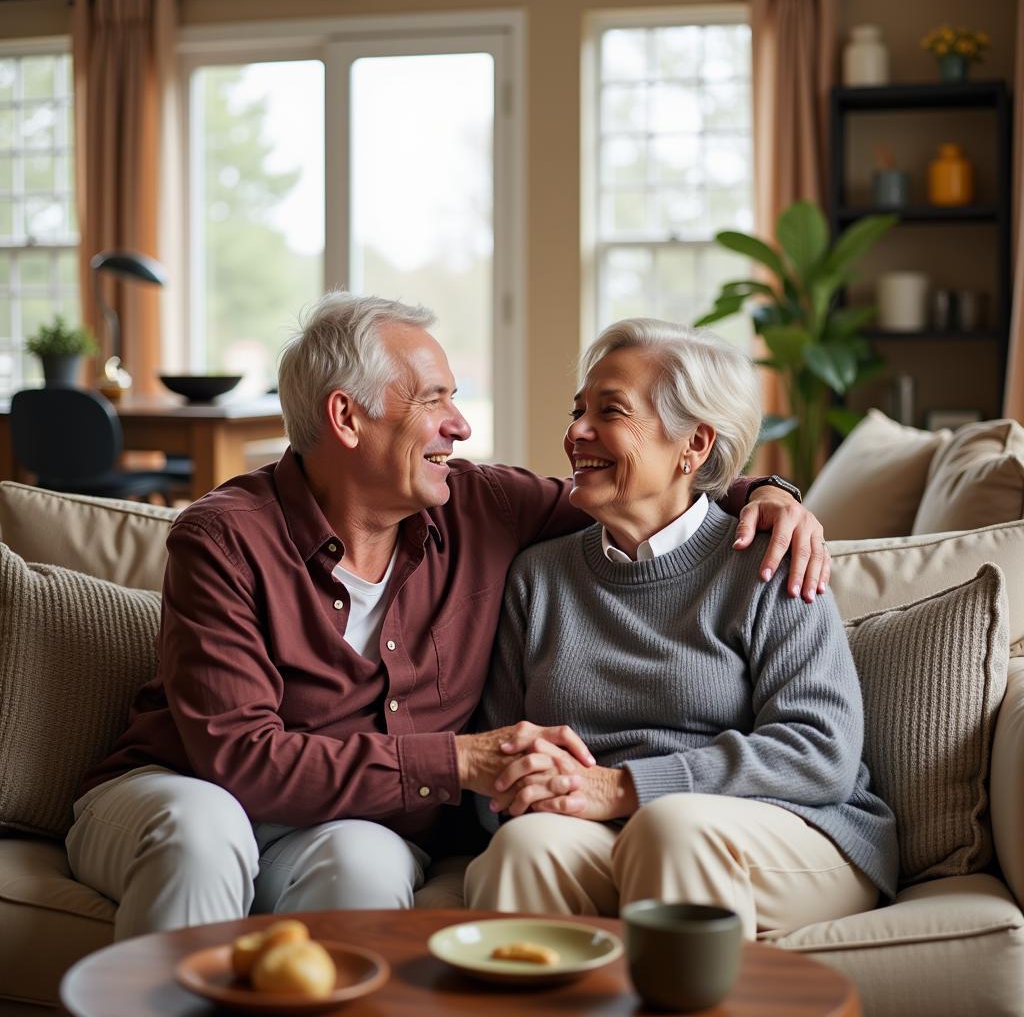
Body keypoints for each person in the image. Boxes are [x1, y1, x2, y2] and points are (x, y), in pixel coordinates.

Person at [65, 292, 830, 941]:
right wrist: (459, 760)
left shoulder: (480, 506)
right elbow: (238, 761)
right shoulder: (224, 537)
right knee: (206, 831)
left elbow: (644, 489)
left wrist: (770, 495)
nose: (460, 426)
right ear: (347, 417)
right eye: (433, 400)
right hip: (184, 787)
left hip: (341, 822)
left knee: (367, 862)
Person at [464, 318, 897, 939]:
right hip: (608, 829)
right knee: (521, 848)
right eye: (577, 409)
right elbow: (498, 750)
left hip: (789, 828)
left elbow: (819, 752)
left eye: (609, 412)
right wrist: (525, 788)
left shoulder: (769, 559)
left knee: (670, 827)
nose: (575, 432)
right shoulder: (539, 579)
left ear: (694, 445)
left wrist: (628, 787)